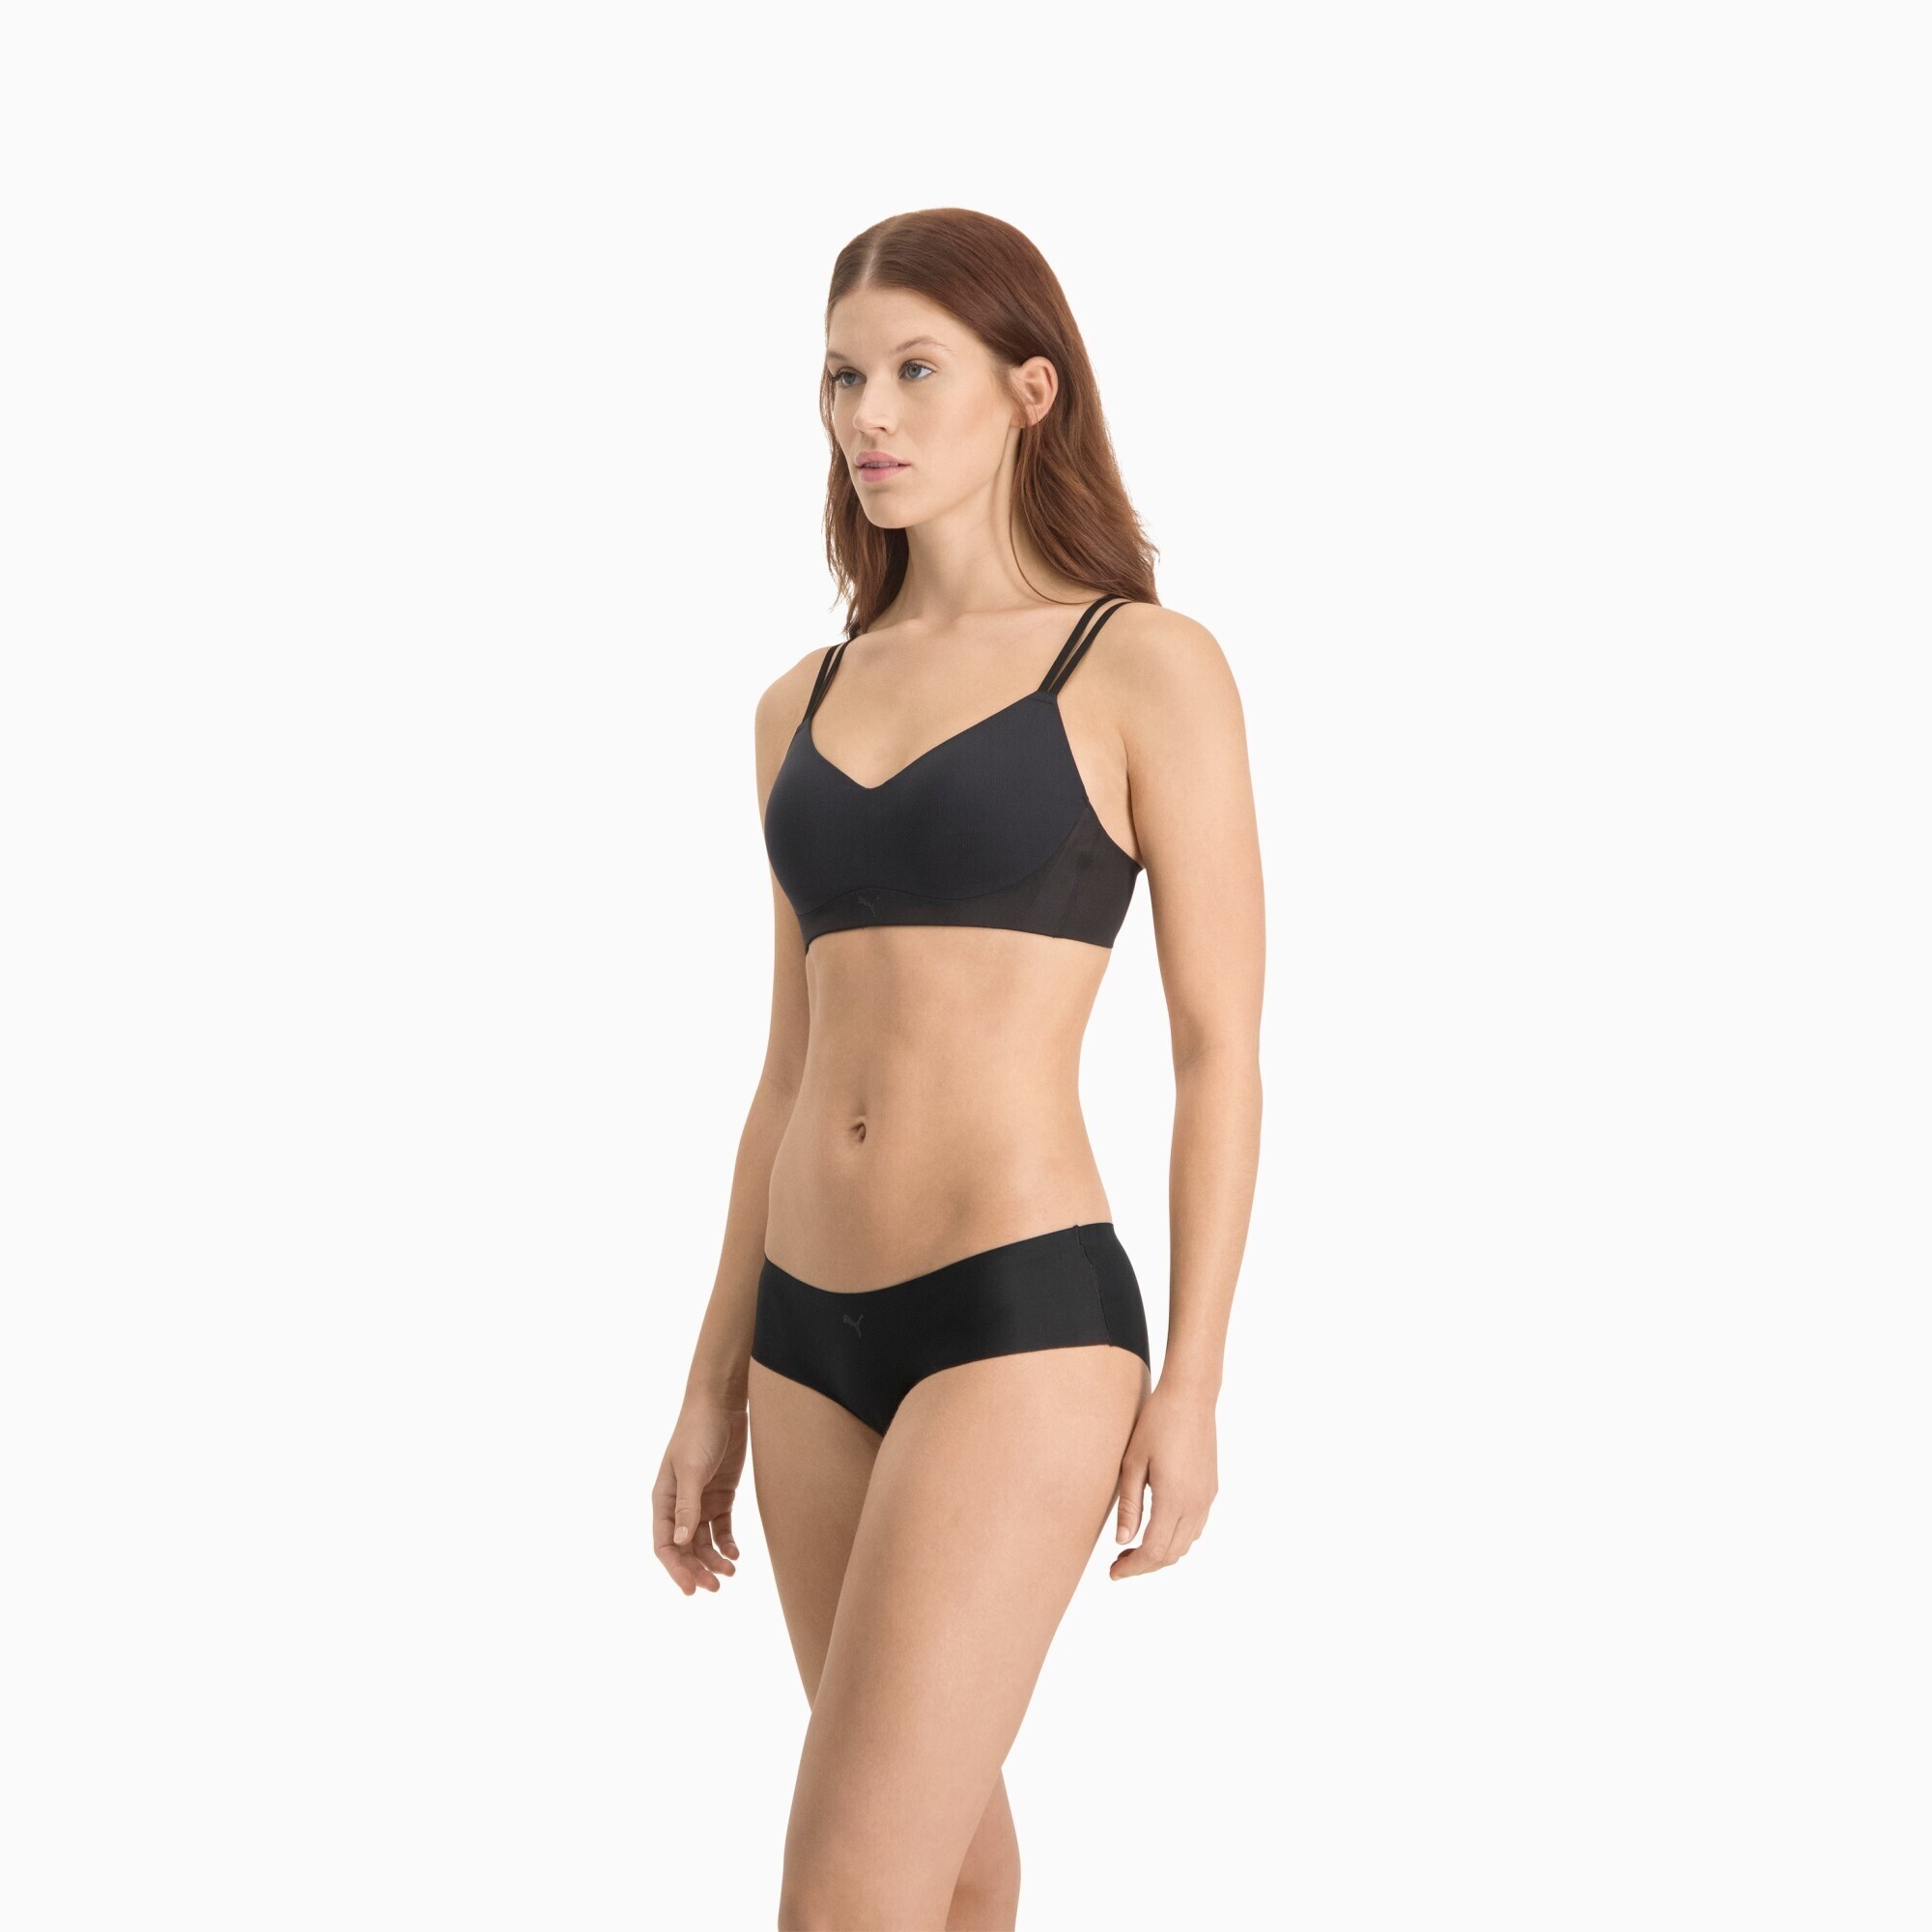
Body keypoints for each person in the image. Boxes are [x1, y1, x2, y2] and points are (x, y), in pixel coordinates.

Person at [653, 207, 1264, 1930]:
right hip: (806, 1338)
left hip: (1017, 1319)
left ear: (1031, 390)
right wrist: (712, 1381)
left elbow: (1219, 1051)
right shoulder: (798, 702)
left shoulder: (1140, 665)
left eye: (917, 370)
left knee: (842, 1891)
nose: (870, 416)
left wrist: (1196, 1385)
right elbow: (789, 1071)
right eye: (843, 378)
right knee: (948, 1862)